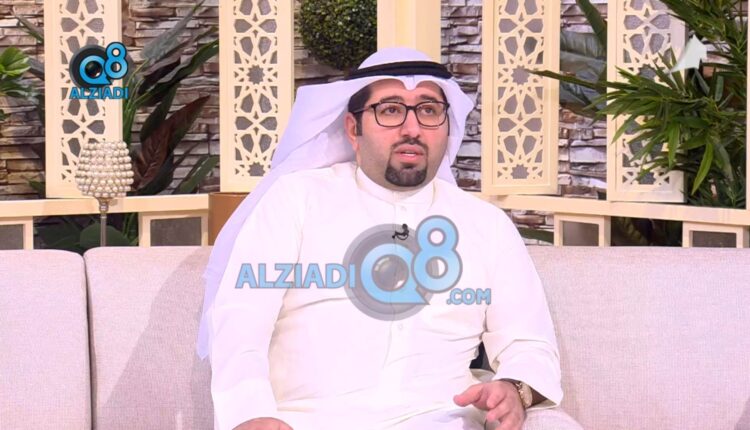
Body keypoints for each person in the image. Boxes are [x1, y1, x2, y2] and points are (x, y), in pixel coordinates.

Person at [199, 47, 563, 430]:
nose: (412, 129)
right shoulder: (296, 200)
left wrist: (515, 389)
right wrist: (251, 414)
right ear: (353, 130)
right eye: (390, 110)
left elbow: (528, 342)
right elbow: (240, 321)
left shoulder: (486, 225)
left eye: (428, 110)